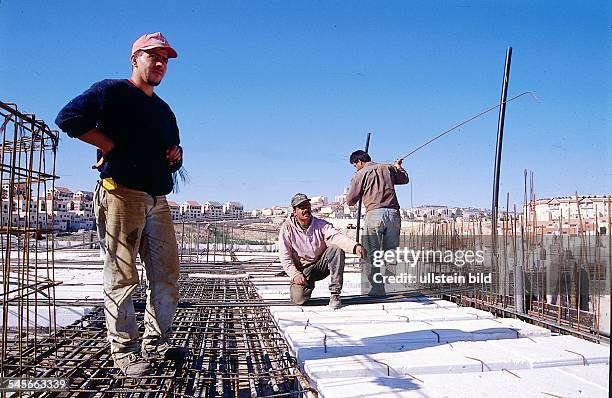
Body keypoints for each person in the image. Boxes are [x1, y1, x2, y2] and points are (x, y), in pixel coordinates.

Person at [55, 32, 186, 376]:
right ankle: (125, 352)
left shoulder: (163, 111)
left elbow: (172, 152)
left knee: (166, 274)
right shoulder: (111, 91)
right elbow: (69, 118)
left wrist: (176, 156)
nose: (160, 64)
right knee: (122, 276)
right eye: (153, 57)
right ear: (135, 59)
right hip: (120, 194)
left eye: (165, 60)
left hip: (158, 199)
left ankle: (156, 342)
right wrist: (108, 145)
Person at [278, 193, 366, 309]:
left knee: (336, 249)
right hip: (303, 270)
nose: (306, 209)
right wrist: (295, 275)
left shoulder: (320, 224)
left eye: (307, 206)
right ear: (294, 211)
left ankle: (335, 294)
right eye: (301, 207)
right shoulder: (287, 228)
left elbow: (336, 236)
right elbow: (285, 256)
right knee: (298, 299)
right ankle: (306, 286)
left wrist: (355, 247)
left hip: (320, 265)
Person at [346, 150, 409, 295]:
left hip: (374, 214)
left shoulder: (359, 174)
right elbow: (404, 179)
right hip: (393, 214)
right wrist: (398, 166)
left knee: (371, 252)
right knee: (391, 251)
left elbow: (350, 201)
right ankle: (391, 284)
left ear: (359, 162)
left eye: (355, 165)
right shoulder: (387, 167)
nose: (355, 168)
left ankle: (377, 287)